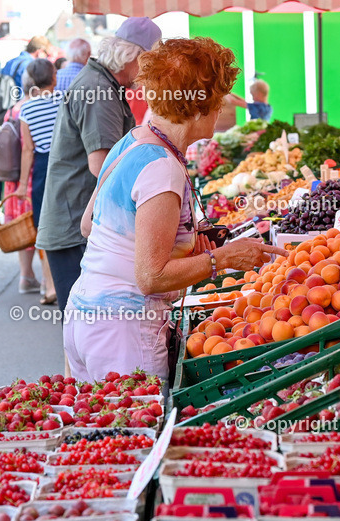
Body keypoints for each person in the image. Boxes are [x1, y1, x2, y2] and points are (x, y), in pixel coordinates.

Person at [64, 38, 287, 380]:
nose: (222, 108)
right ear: (198, 107)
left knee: (98, 430)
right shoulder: (162, 168)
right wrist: (221, 259)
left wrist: (176, 245)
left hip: (84, 314)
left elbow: (88, 226)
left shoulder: (133, 140)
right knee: (135, 431)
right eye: (219, 100)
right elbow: (150, 277)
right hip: (123, 331)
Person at [37, 17, 163, 313]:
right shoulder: (99, 90)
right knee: (85, 331)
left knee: (86, 334)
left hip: (82, 220)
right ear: (136, 56)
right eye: (150, 63)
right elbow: (101, 165)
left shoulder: (103, 83)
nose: (149, 73)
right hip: (76, 225)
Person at [15, 59, 60, 305]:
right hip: (66, 164)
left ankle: (50, 284)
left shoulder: (26, 109)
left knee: (44, 226)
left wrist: (23, 184)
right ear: (53, 78)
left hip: (42, 168)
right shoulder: (64, 101)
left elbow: (27, 150)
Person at [1, 74, 42, 296]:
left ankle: (26, 275)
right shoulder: (32, 107)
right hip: (30, 174)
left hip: (13, 176)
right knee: (36, 226)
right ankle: (45, 281)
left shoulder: (13, 108)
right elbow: (29, 148)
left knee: (21, 227)